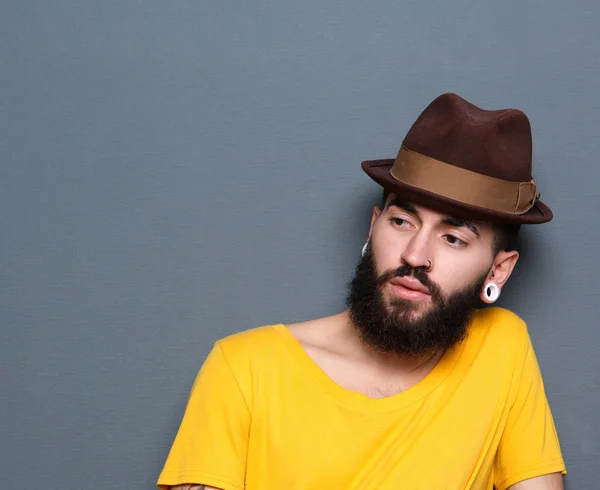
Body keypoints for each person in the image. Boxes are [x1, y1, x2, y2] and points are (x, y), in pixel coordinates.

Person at [157, 93, 566, 490]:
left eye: (454, 238)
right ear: (374, 226)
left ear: (499, 268)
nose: (414, 256)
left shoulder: (501, 349)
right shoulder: (244, 369)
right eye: (402, 221)